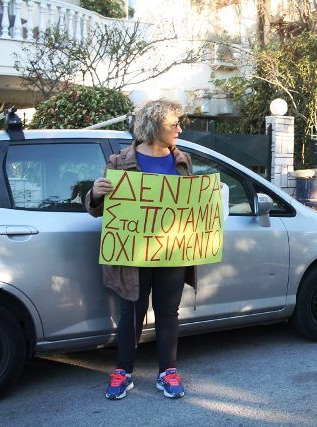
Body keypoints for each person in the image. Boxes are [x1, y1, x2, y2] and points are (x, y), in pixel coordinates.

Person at [85, 99, 194, 400]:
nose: (180, 130)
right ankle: (123, 372)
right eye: (174, 125)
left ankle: (167, 372)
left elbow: (188, 207)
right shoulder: (119, 162)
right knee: (131, 313)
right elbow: (100, 210)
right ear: (155, 125)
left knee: (168, 313)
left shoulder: (182, 161)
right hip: (132, 254)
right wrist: (95, 194)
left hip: (172, 252)